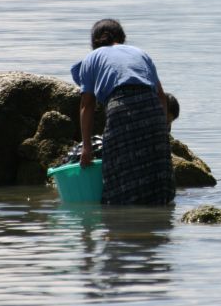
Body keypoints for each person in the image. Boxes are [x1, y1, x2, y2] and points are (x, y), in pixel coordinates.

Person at [71, 19, 175, 205]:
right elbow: (160, 95)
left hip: (121, 108)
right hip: (152, 107)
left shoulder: (91, 58)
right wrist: (163, 128)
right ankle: (159, 224)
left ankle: (121, 223)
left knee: (118, 169)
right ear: (123, 38)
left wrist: (86, 147)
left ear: (93, 42)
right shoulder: (140, 53)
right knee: (156, 169)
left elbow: (87, 106)